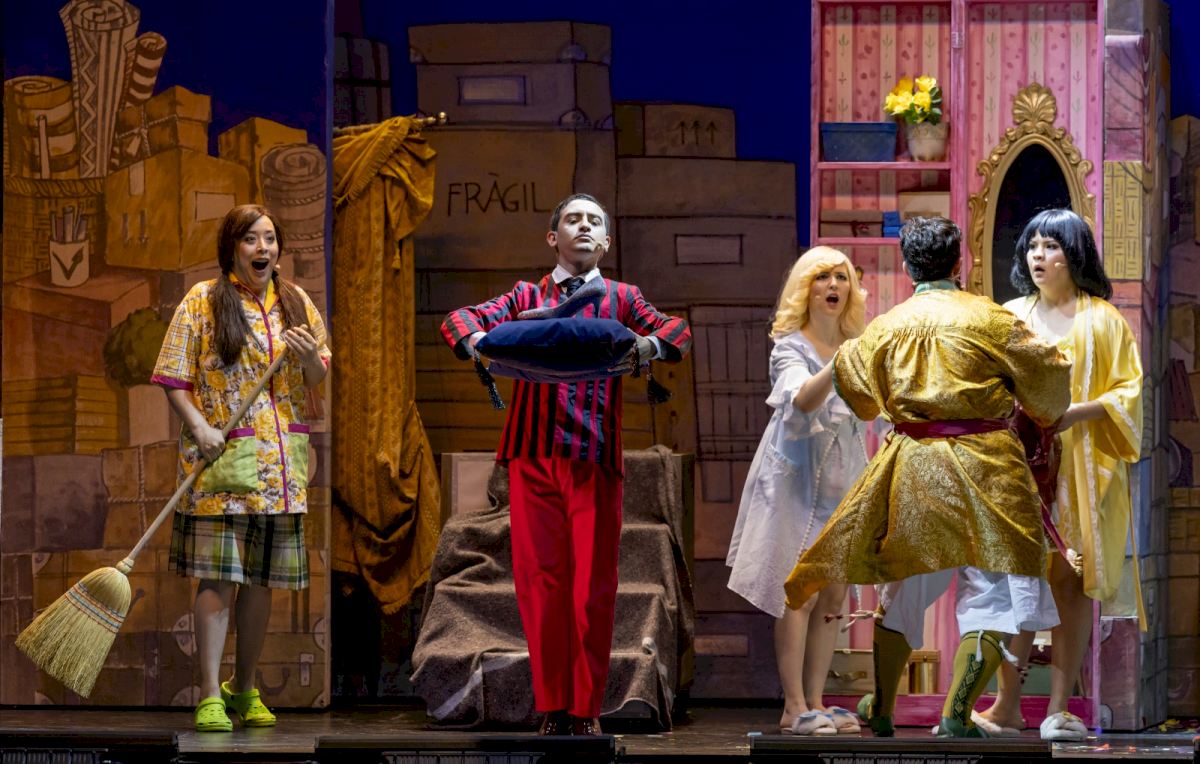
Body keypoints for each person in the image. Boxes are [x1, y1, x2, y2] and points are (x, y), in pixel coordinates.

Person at [782, 216, 1072, 738]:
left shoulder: (886, 325)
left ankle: (883, 707)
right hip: (989, 465)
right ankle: (956, 714)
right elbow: (1049, 388)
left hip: (914, 464)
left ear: (906, 265)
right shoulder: (992, 319)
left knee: (905, 586)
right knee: (994, 591)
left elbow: (862, 400)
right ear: (959, 262)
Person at [440, 193, 691, 736]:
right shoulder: (525, 295)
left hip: (593, 457)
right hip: (532, 457)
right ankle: (554, 706)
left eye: (594, 221)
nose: (584, 226)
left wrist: (647, 348)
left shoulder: (623, 298)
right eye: (573, 220)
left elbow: (676, 331)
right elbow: (459, 320)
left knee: (592, 590)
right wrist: (481, 343)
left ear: (606, 242)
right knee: (541, 587)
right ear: (553, 238)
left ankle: (586, 708)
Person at [152, 204, 331, 733]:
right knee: (219, 577)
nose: (263, 248)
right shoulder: (203, 300)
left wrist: (307, 358)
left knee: (260, 582)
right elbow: (172, 376)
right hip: (223, 464)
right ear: (232, 247)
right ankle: (210, 693)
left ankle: (244, 686)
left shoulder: (296, 302)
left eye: (270, 239)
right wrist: (201, 428)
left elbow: (317, 375)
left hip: (280, 472)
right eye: (251, 239)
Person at [975, 208, 1144, 741]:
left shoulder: (1104, 320)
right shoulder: (1010, 316)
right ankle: (1005, 705)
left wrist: (1073, 414)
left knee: (1071, 586)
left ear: (1074, 255)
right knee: (1018, 586)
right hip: (1020, 468)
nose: (1038, 256)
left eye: (1050, 246)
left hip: (1083, 469)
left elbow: (1128, 393)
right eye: (1032, 246)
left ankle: (1058, 708)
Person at [726, 247, 869, 735]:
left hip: (843, 478)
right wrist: (843, 363)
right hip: (795, 483)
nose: (833, 285)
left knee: (833, 597)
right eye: (822, 277)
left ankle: (817, 700)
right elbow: (804, 400)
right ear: (805, 288)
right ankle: (793, 706)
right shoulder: (790, 346)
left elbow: (870, 408)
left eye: (842, 277)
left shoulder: (855, 344)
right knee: (799, 594)